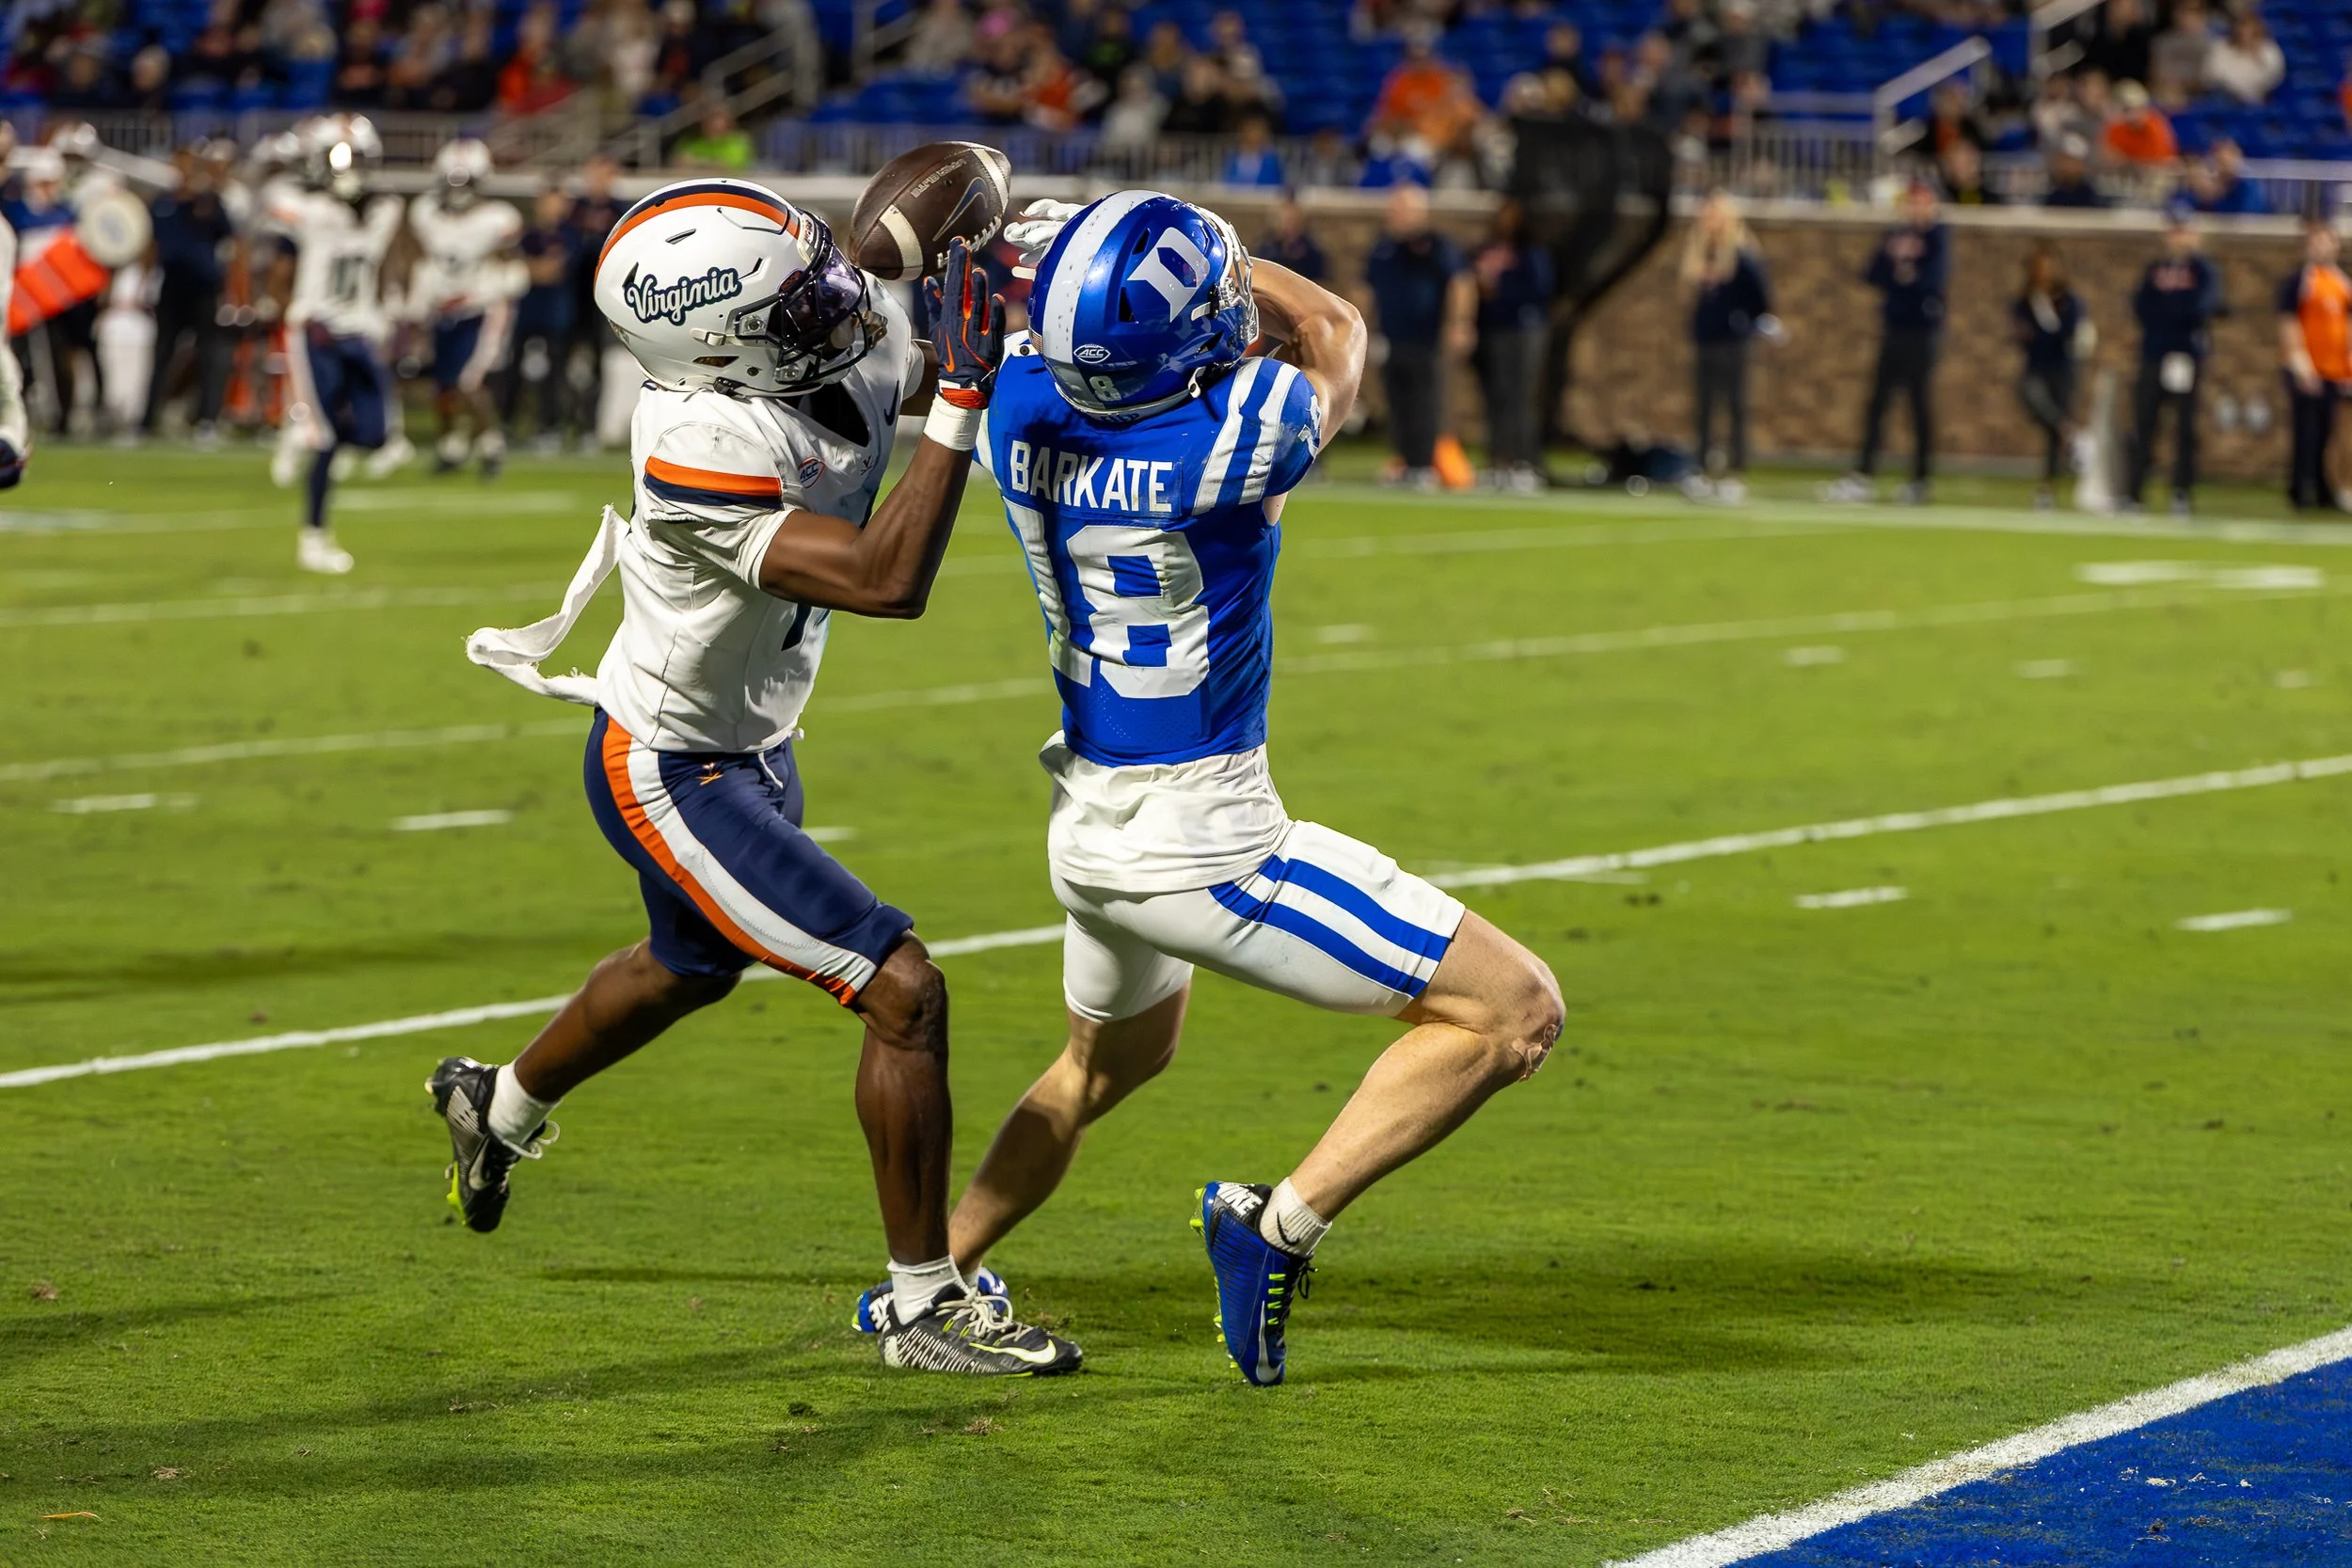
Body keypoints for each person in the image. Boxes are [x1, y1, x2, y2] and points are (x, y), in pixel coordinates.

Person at [446, 180, 1082, 1378]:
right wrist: (959, 393)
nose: (840, 307)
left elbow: (939, 316)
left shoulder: (800, 339)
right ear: (715, 350)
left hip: (755, 742)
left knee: (687, 965)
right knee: (901, 988)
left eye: (823, 278)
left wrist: (1012, 254)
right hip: (672, 768)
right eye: (800, 306)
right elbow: (886, 578)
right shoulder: (696, 440)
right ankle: (920, 1302)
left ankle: (500, 1103)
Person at [931, 191, 1562, 1386]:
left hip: (1089, 820)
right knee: (1513, 1010)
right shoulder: (1231, 434)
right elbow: (1334, 330)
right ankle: (1275, 1227)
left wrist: (1074, 273)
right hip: (1205, 843)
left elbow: (1067, 338)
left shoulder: (1013, 405)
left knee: (1100, 1067)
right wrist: (1217, 248)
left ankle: (929, 1278)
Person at [266, 115, 402, 574]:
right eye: (342, 159)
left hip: (358, 331)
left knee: (375, 434)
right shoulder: (309, 208)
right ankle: (314, 538)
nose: (351, 169)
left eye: (359, 159)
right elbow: (277, 205)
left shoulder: (385, 210)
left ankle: (298, 426)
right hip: (317, 330)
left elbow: (382, 255)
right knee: (325, 440)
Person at [1825, 181, 1947, 505]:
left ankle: (1920, 479)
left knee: (1918, 404)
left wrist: (1906, 278)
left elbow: (1932, 280)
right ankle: (1863, 475)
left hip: (1923, 332)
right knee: (1877, 402)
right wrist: (1900, 276)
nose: (1916, 208)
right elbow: (1872, 272)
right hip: (1894, 328)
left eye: (1922, 202)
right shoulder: (1896, 234)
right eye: (1912, 202)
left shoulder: (1937, 236)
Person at [406, 138, 523, 479]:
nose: (458, 189)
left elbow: (513, 268)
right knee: (443, 385)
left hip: (482, 308)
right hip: (443, 310)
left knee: (470, 382)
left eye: (466, 181)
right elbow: (418, 259)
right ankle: (451, 446)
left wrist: (493, 288)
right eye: (452, 181)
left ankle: (491, 446)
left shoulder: (498, 219)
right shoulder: (426, 214)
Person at [1363, 183, 1473, 489]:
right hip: (1392, 337)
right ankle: (1406, 460)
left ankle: (1424, 463)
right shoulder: (1384, 248)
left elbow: (1459, 282)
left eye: (1403, 210)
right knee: (1397, 402)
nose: (1396, 215)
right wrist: (1364, 329)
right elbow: (1367, 288)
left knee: (1425, 403)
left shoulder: (1437, 247)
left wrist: (1459, 322)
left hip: (1426, 337)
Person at [2126, 204, 2224, 515]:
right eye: (2174, 230)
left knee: (2184, 427)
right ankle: (2134, 493)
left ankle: (2181, 492)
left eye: (2183, 230)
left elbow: (2201, 308)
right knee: (2145, 422)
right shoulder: (2155, 270)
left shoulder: (2203, 271)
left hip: (2185, 356)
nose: (2178, 237)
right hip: (2154, 353)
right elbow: (2141, 307)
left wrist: (2169, 312)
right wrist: (2171, 312)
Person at [142, 148, 240, 444]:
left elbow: (233, 245)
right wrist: (145, 283)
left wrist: (233, 291)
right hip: (172, 286)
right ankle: (147, 420)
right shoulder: (163, 203)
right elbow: (151, 244)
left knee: (209, 354)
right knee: (161, 354)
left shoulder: (209, 203)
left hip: (203, 287)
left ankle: (207, 419)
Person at [1682, 189, 1772, 504]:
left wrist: (1741, 320)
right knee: (1704, 406)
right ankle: (1701, 469)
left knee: (1735, 405)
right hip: (1706, 337)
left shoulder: (1742, 253)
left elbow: (1761, 296)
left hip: (1733, 340)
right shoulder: (1702, 253)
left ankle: (1736, 472)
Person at [1470, 198, 1552, 494]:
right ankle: (1497, 461)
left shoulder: (1532, 254)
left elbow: (1540, 289)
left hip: (1522, 331)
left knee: (1520, 398)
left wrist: (1501, 289)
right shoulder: (1487, 250)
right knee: (1496, 399)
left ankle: (1524, 462)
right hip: (1492, 331)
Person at [2278, 221, 2351, 513]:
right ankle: (2299, 490)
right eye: (2316, 242)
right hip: (2308, 370)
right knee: (2305, 432)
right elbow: (2288, 322)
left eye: (2327, 241)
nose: (2322, 247)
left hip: (2334, 370)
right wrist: (2301, 365)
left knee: (2327, 433)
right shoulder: (2299, 281)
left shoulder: (2342, 282)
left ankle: (2323, 489)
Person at [2011, 243, 2087, 509]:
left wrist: (2043, 335)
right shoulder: (2025, 301)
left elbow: (2066, 333)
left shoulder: (2068, 300)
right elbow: (2022, 335)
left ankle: (2048, 488)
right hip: (2036, 366)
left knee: (2054, 431)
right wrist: (2042, 336)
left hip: (2063, 367)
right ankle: (2070, 434)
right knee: (2036, 402)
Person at [503, 183, 577, 449]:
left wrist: (531, 268)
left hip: (556, 315)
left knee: (554, 374)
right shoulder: (527, 234)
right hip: (526, 311)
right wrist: (534, 268)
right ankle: (506, 424)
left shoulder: (570, 234)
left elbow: (552, 271)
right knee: (512, 370)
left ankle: (550, 427)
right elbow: (515, 266)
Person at [2103, 80, 2178, 167]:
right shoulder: (2115, 128)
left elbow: (2160, 161)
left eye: (2137, 108)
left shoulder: (2155, 126)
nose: (2132, 114)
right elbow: (2109, 158)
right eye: (2126, 109)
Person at [1257, 193, 1326, 283]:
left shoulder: (1312, 251)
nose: (1289, 225)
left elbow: (1322, 281)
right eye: (1286, 219)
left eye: (1293, 220)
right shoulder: (1267, 249)